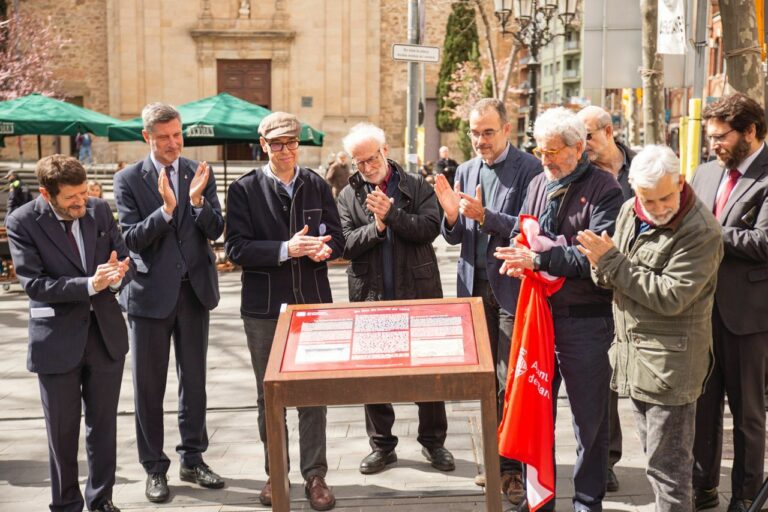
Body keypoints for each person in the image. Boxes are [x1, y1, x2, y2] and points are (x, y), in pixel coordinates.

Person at [576, 145, 723, 512]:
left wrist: (609, 261)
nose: (658, 208)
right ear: (633, 188)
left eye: (666, 197)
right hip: (634, 357)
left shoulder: (702, 231)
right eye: (649, 199)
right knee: (657, 467)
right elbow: (612, 272)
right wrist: (601, 262)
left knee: (669, 472)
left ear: (681, 182)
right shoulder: (629, 210)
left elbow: (671, 296)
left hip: (671, 368)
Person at [495, 107, 623, 512]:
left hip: (586, 321)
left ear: (578, 148)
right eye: (540, 150)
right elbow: (526, 228)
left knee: (590, 422)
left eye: (553, 152)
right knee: (537, 415)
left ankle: (588, 501)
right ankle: (540, 499)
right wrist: (518, 254)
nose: (545, 160)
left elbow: (592, 259)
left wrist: (539, 260)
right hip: (539, 317)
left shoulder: (605, 190)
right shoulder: (536, 182)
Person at [225, 111, 343, 511]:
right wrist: (284, 249)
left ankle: (315, 475)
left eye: (292, 143)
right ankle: (277, 472)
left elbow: (338, 237)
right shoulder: (243, 189)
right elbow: (235, 248)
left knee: (314, 392)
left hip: (312, 305)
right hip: (263, 311)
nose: (286, 151)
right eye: (277, 144)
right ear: (264, 146)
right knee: (268, 394)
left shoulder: (316, 184)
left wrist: (326, 248)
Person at [5, 155, 133, 512]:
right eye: (71, 198)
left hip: (105, 337)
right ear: (47, 194)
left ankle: (102, 499)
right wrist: (89, 284)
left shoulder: (99, 210)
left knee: (103, 426)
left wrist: (120, 274)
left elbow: (123, 258)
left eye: (83, 193)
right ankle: (65, 504)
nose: (82, 202)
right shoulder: (22, 221)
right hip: (56, 342)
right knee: (62, 432)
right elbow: (34, 284)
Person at [113, 103, 226, 503]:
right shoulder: (128, 179)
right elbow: (130, 238)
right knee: (149, 386)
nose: (173, 143)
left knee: (193, 382)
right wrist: (166, 210)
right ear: (147, 137)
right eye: (164, 137)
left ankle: (193, 459)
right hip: (148, 296)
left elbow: (216, 229)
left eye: (177, 135)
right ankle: (154, 468)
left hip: (194, 292)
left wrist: (196, 204)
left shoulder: (199, 172)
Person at [433, 98, 541, 506]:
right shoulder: (464, 169)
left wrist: (485, 216)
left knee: (509, 381)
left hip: (511, 288)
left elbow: (529, 228)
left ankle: (513, 470)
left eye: (488, 132)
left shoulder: (529, 169)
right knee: (483, 382)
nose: (480, 140)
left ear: (507, 130)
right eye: (475, 133)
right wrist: (450, 218)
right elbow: (457, 236)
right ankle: (495, 462)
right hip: (472, 290)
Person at [336, 123, 455, 476]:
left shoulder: (415, 186)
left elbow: (429, 229)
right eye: (359, 163)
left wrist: (392, 214)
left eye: (371, 159)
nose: (367, 167)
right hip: (370, 294)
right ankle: (382, 446)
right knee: (373, 376)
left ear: (385, 151)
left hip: (418, 291)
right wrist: (378, 228)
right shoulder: (347, 195)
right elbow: (345, 243)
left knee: (429, 373)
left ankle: (434, 442)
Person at [689, 92, 768, 512]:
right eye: (710, 137)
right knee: (702, 405)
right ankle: (702, 487)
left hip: (748, 317)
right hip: (701, 312)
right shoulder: (704, 174)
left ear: (750, 132)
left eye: (720, 137)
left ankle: (747, 497)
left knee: (747, 413)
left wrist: (709, 232)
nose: (713, 145)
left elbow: (765, 241)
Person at [576, 105, 636, 492]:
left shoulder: (640, 168)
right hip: (596, 288)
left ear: (609, 131)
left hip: (636, 287)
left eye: (590, 139)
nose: (585, 148)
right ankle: (607, 459)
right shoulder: (584, 177)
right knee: (605, 379)